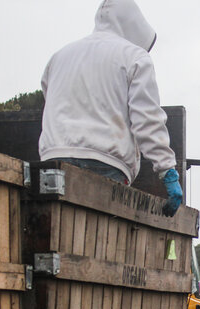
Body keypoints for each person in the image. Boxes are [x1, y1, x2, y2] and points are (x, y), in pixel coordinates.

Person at [38, 0, 184, 216]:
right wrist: (167, 169)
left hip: (53, 161)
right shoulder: (135, 57)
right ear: (134, 26)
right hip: (105, 162)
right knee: (100, 243)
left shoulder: (59, 56)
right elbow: (146, 120)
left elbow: (52, 102)